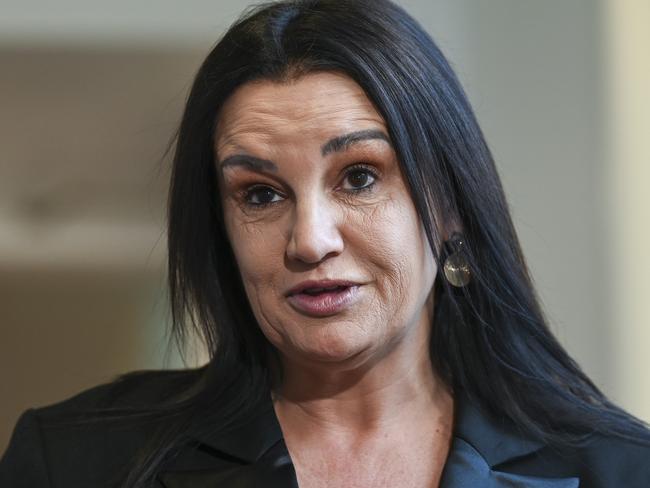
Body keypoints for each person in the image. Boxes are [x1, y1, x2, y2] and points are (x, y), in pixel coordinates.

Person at [1, 0, 649, 486]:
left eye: (359, 177)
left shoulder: (621, 471)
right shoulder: (72, 461)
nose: (310, 241)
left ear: (450, 206)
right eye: (260, 194)